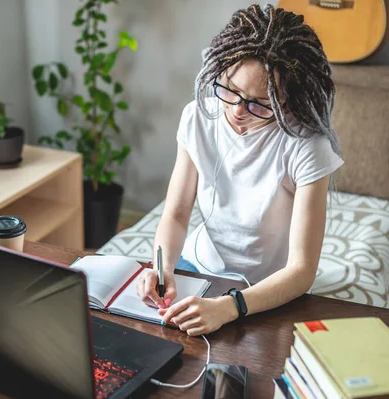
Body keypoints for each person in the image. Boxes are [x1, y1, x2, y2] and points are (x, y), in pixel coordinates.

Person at [135, 4, 344, 336]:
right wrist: (162, 270)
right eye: (229, 89)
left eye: (259, 103)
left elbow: (302, 270)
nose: (236, 110)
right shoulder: (199, 116)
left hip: (267, 289)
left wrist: (231, 307)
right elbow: (175, 213)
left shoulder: (306, 146)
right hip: (199, 265)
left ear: (288, 99)